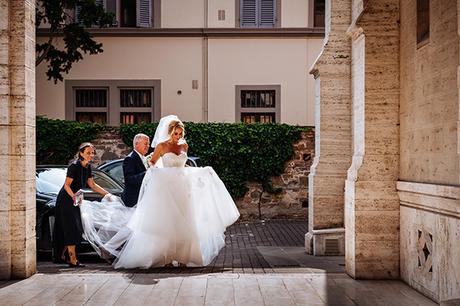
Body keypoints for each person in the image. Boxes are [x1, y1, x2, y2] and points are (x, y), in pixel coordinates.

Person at [80, 115, 240, 269]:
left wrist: (196, 171)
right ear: (170, 132)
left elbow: (182, 165)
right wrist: (158, 174)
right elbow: (152, 164)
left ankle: (185, 257)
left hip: (183, 189)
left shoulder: (184, 146)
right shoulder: (162, 146)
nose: (178, 136)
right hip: (167, 189)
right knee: (168, 223)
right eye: (175, 133)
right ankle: (167, 257)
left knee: (186, 221)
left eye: (180, 133)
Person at [53, 143, 111, 267]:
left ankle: (65, 256)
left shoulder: (88, 167)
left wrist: (108, 194)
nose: (91, 155)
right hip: (66, 199)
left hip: (76, 199)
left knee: (77, 228)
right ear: (81, 153)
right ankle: (73, 259)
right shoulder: (74, 166)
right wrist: (74, 197)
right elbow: (66, 185)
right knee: (71, 228)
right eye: (88, 153)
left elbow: (92, 185)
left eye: (92, 153)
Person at [121, 133, 150, 207]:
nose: (148, 146)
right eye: (145, 144)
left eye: (148, 144)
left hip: (143, 198)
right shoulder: (130, 159)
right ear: (137, 144)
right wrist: (147, 173)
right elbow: (129, 179)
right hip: (133, 200)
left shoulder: (145, 158)